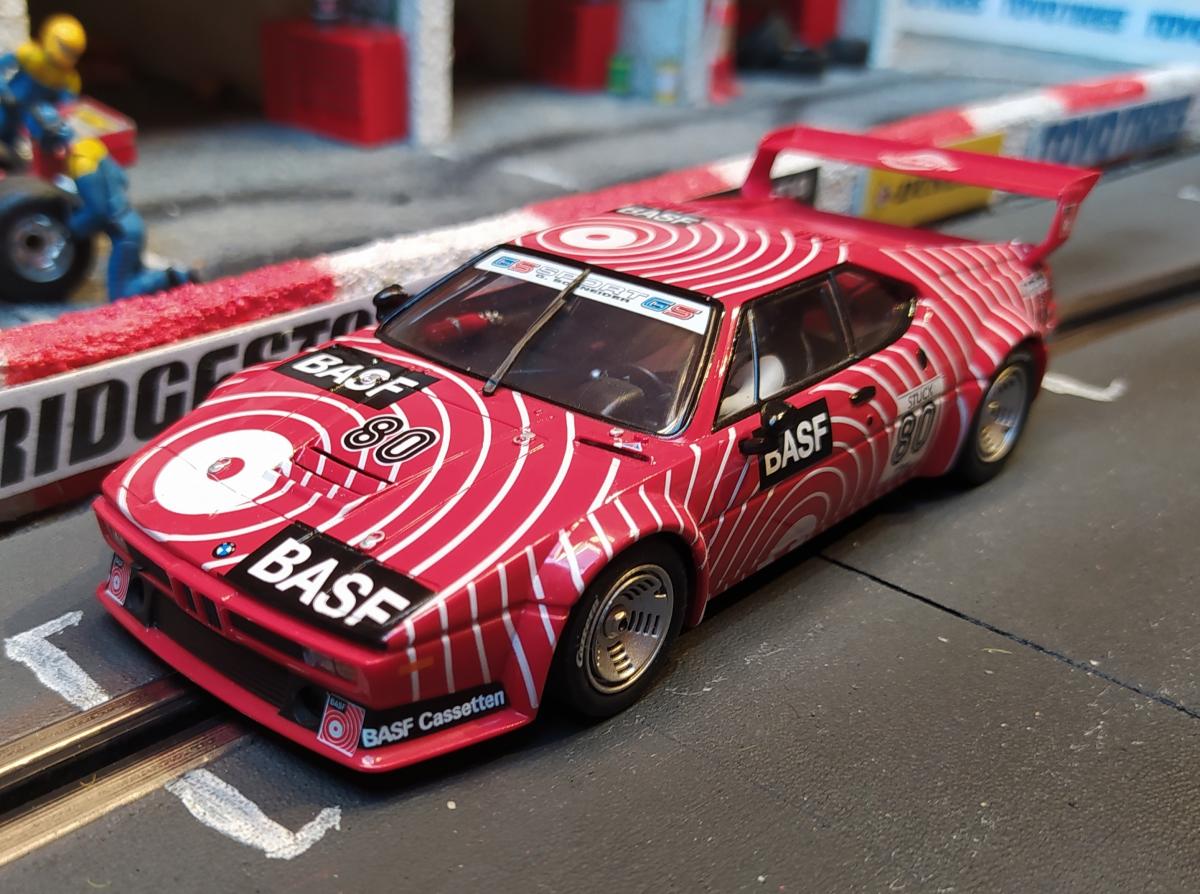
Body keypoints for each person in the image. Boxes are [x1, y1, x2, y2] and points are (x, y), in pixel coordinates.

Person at [66, 138, 195, 300]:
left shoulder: (82, 165)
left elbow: (97, 212)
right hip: (131, 221)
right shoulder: (93, 149)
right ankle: (169, 278)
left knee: (120, 294)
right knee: (134, 273)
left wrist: (72, 228)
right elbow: (122, 179)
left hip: (122, 233)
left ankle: (171, 277)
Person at [0, 14, 86, 158]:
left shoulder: (70, 79)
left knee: (49, 139)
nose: (69, 56)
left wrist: (55, 117)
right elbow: (2, 66)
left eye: (74, 53)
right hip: (10, 105)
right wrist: (3, 89)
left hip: (36, 116)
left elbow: (66, 107)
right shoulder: (30, 55)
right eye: (65, 49)